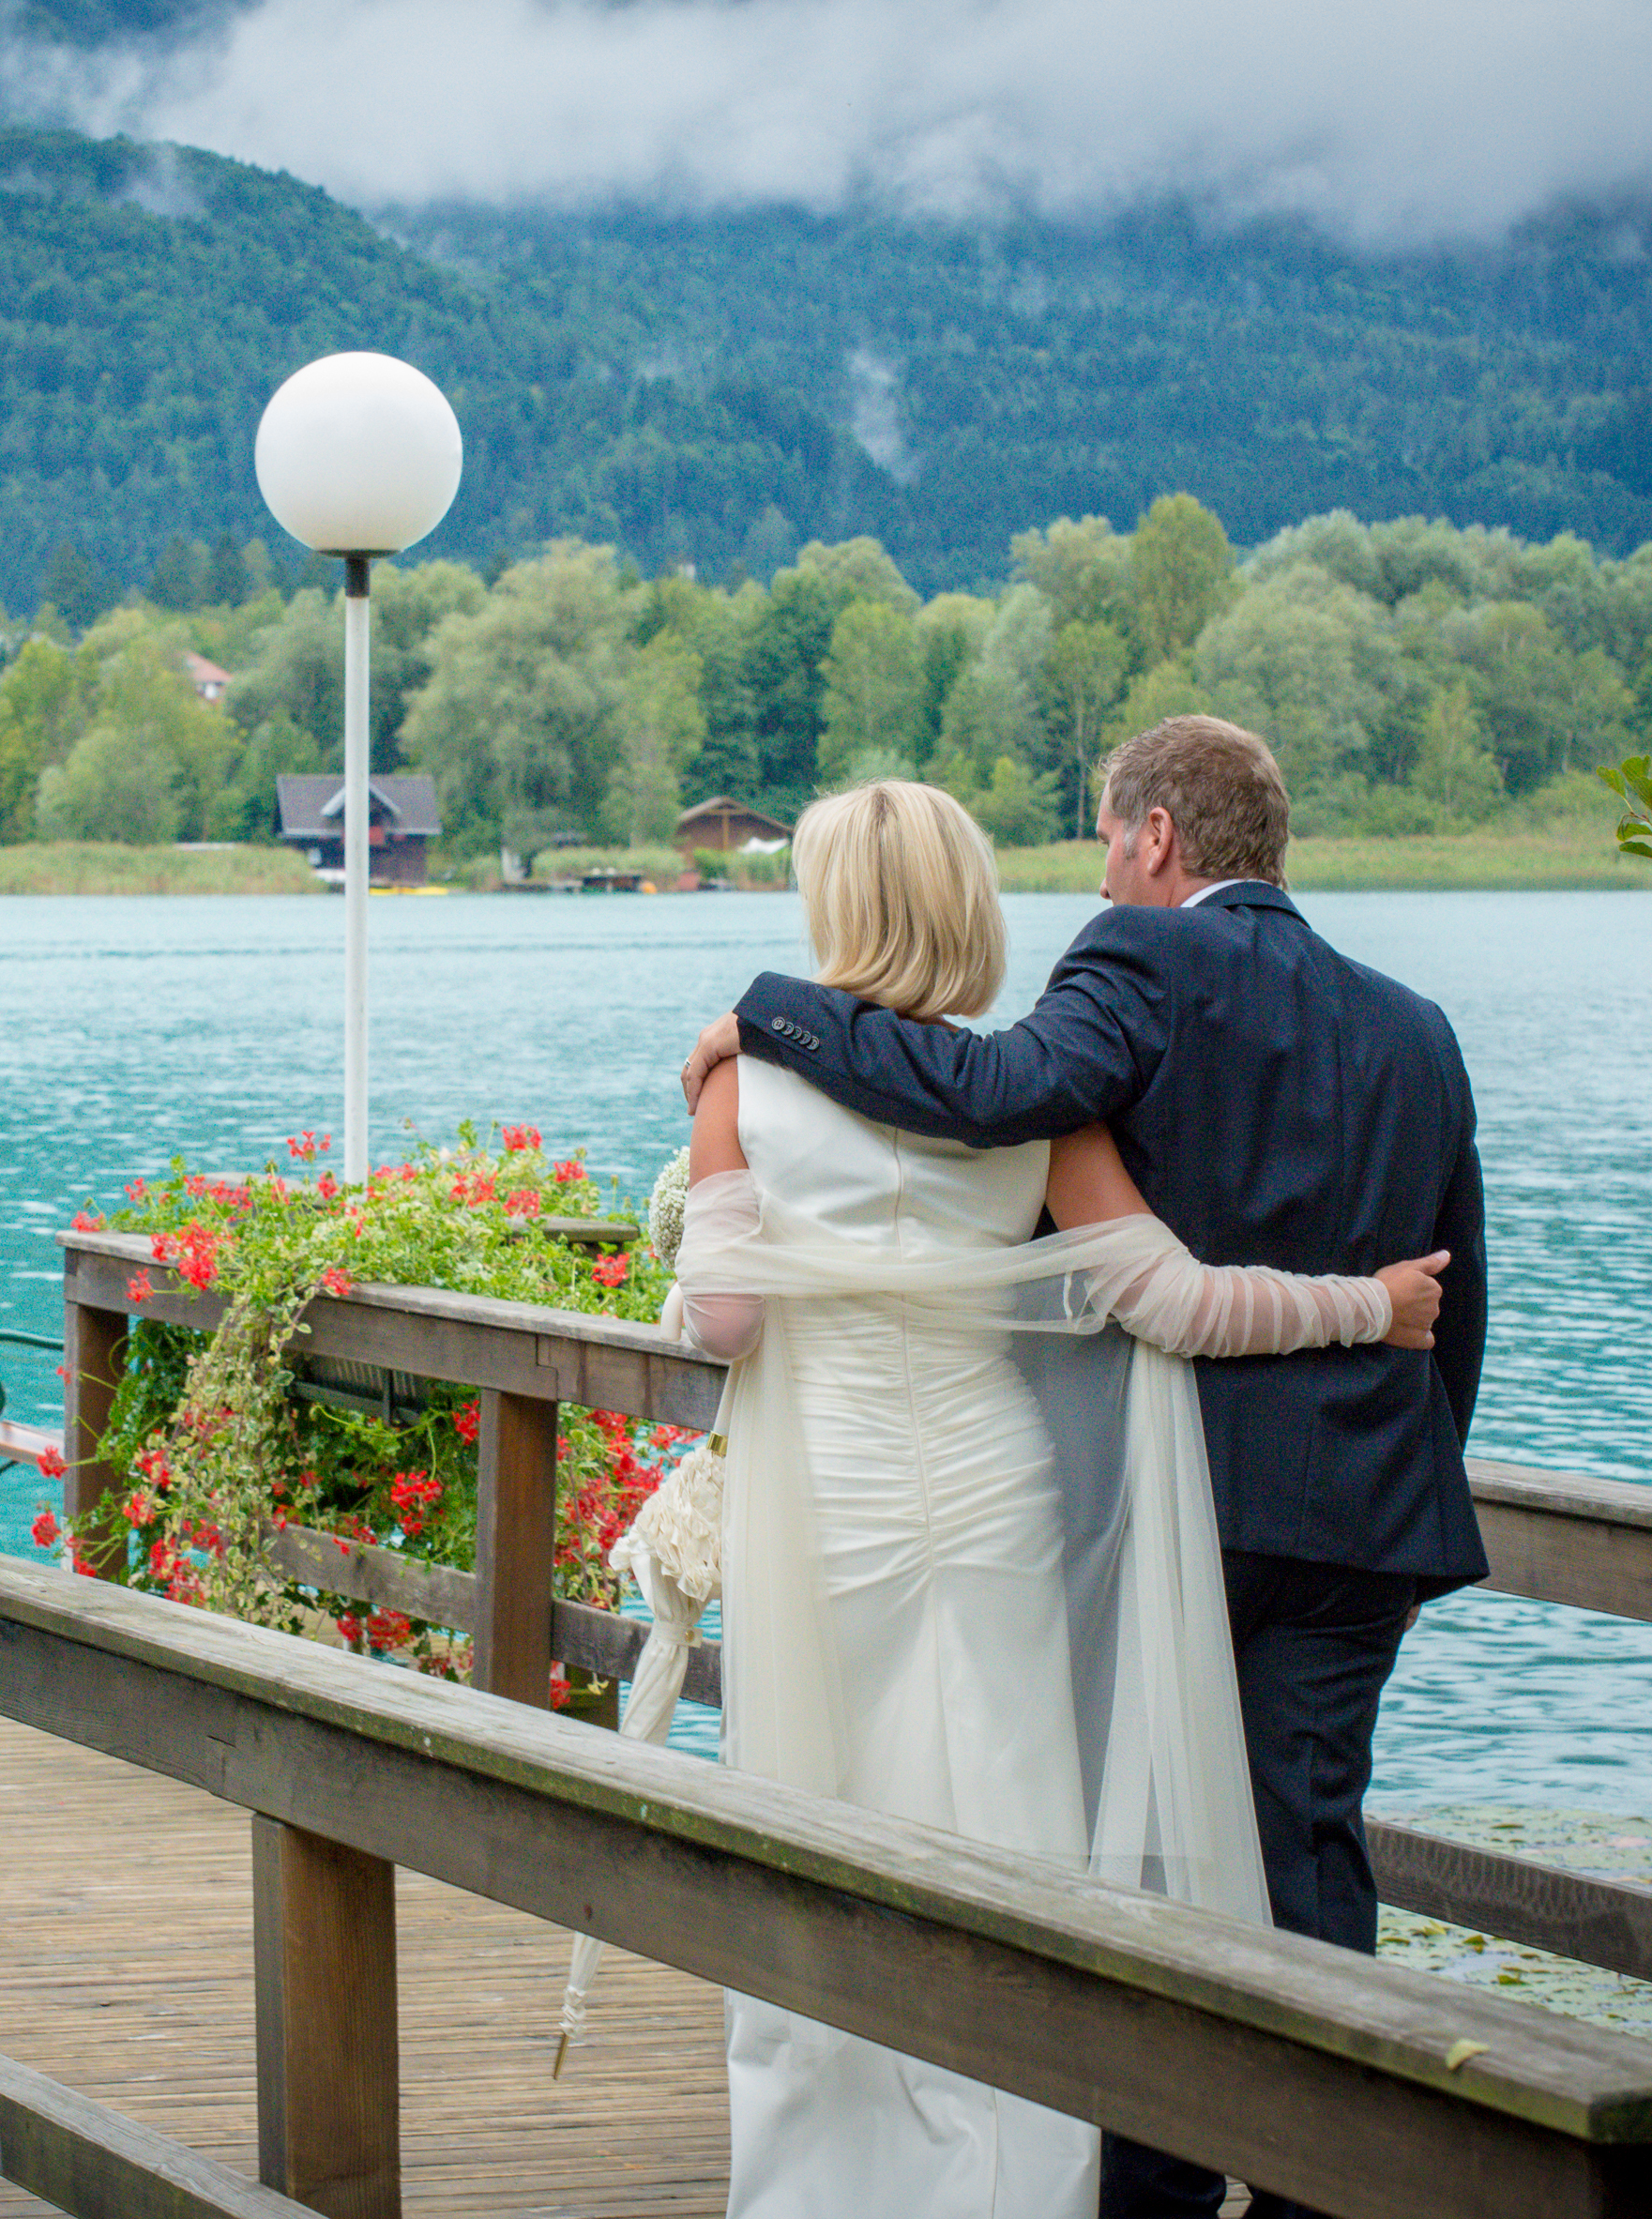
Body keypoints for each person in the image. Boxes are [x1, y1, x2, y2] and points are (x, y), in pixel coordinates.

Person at [680, 718, 1487, 2219]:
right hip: (1337, 1509)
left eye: (1111, 839)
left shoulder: (1117, 968)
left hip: (993, 1501)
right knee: (1248, 1850)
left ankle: (1122, 2190)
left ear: (1156, 836)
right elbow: (1418, 1300)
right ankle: (1308, 2190)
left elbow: (948, 1128)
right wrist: (1379, 1350)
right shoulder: (1416, 1025)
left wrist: (765, 1025)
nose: (1103, 872)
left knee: (1064, 1850)